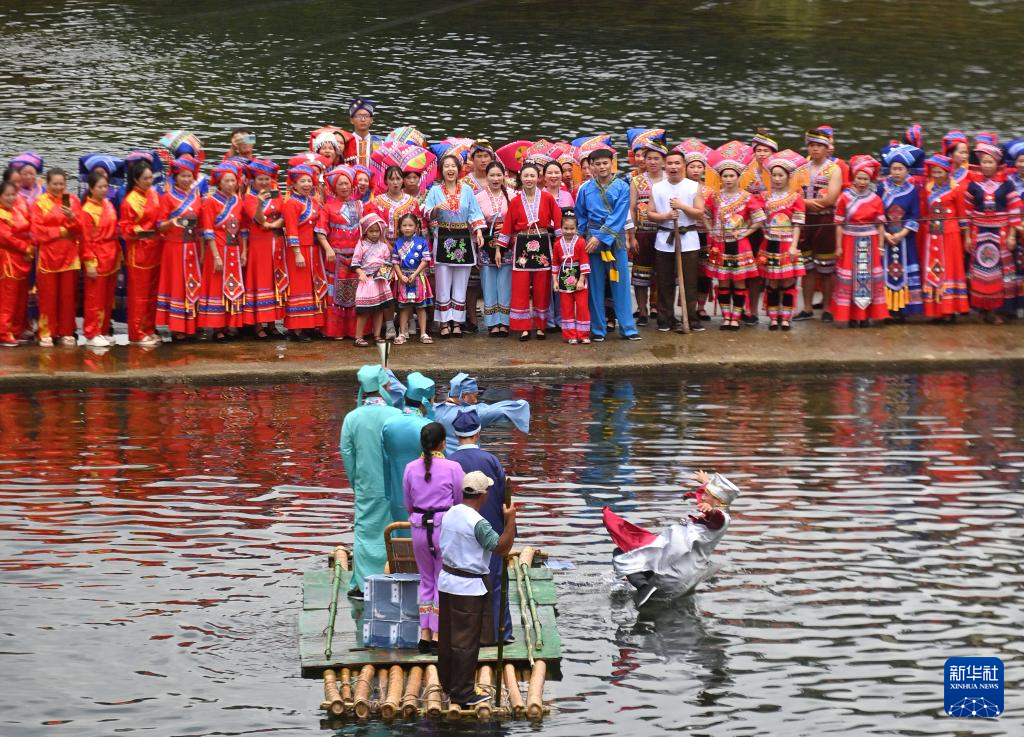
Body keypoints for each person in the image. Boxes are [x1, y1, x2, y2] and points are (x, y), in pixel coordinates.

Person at [436, 470, 517, 708]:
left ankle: (449, 684)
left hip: (447, 582)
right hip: (467, 588)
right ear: (483, 495)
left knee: (448, 637)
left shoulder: (451, 512)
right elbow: (501, 548)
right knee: (466, 643)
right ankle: (463, 693)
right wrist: (510, 520)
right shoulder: (478, 523)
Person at [604, 470, 739, 607]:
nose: (702, 497)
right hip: (677, 567)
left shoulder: (721, 519)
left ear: (718, 501)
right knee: (630, 549)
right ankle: (638, 582)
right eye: (704, 493)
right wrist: (705, 482)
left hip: (671, 573)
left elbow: (717, 517)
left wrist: (711, 510)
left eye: (707, 495)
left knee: (622, 553)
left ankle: (643, 587)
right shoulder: (715, 512)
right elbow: (712, 507)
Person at [449, 409, 513, 644]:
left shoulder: (450, 462)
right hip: (491, 526)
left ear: (456, 436)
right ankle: (499, 632)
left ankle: (467, 633)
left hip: (460, 529)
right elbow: (505, 496)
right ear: (478, 434)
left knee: (462, 579)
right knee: (494, 580)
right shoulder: (491, 460)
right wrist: (508, 526)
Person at [339, 364, 403, 597]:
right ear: (385, 386)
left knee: (365, 531)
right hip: (394, 485)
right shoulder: (396, 416)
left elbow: (347, 454)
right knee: (394, 530)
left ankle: (364, 581)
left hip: (366, 484)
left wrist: (356, 483)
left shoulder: (351, 418)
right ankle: (395, 573)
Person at [403, 422, 464, 652]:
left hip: (419, 528)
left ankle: (424, 634)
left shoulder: (410, 468)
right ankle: (438, 634)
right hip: (444, 528)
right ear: (443, 443)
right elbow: (459, 501)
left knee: (426, 580)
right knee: (442, 579)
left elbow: (408, 504)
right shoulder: (453, 467)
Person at [574, 147, 640, 341]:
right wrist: (582, 238)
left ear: (612, 164)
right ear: (591, 166)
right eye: (597, 164)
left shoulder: (622, 187)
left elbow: (619, 215)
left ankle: (628, 328)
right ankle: (597, 329)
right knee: (595, 286)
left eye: (605, 163)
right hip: (591, 241)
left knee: (620, 283)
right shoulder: (584, 189)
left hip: (615, 240)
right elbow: (581, 215)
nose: (602, 167)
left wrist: (600, 237)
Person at [498, 162, 562, 341]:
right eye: (525, 176)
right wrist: (499, 249)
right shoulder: (515, 201)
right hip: (522, 245)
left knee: (542, 286)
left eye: (532, 175)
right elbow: (508, 225)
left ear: (538, 178)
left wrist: (560, 245)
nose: (529, 179)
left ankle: (541, 326)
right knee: (520, 286)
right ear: (520, 178)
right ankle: (523, 327)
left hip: (542, 243)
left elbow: (558, 221)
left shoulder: (547, 198)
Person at [423, 154, 485, 338]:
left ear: (458, 169)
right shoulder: (435, 191)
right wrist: (436, 209)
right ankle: (444, 322)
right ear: (441, 170)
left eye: (453, 166)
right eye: (446, 166)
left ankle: (457, 321)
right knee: (443, 282)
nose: (450, 169)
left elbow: (474, 213)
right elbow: (426, 211)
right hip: (443, 236)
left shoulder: (467, 190)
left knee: (461, 282)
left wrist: (478, 231)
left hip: (463, 237)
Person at [705, 142, 764, 330]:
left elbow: (759, 220)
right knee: (723, 282)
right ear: (721, 178)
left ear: (739, 177)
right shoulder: (715, 196)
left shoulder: (747, 197)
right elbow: (705, 215)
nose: (728, 179)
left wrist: (745, 232)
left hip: (740, 245)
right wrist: (711, 230)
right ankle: (726, 317)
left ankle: (736, 318)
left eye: (732, 176)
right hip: (720, 244)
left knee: (739, 281)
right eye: (725, 176)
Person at [646, 150, 705, 333]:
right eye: (670, 163)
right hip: (665, 239)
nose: (673, 167)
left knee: (689, 282)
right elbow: (650, 214)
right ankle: (665, 318)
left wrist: (682, 207)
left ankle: (691, 318)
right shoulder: (657, 187)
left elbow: (699, 213)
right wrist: (665, 216)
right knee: (664, 282)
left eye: (677, 163)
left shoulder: (693, 186)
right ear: (665, 165)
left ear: (683, 166)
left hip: (689, 239)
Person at [964, 141, 1020, 323]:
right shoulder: (973, 185)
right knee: (980, 271)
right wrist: (967, 237)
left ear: (997, 164)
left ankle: (998, 311)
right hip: (979, 233)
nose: (987, 165)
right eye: (984, 162)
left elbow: (1015, 211)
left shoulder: (1007, 185)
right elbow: (967, 213)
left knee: (1001, 272)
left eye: (990, 162)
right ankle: (982, 309)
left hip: (1001, 233)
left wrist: (1012, 235)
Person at [793, 128, 844, 321]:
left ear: (826, 148)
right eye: (812, 145)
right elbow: (793, 194)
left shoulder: (834, 169)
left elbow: (831, 198)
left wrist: (806, 203)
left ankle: (827, 308)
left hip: (825, 220)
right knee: (807, 267)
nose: (815, 149)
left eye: (819, 146)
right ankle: (806, 307)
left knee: (826, 267)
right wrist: (806, 203)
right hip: (805, 219)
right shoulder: (801, 168)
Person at [831, 155, 888, 328]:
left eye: (865, 179)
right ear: (853, 178)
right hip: (849, 241)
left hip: (870, 242)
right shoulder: (844, 198)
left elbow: (880, 225)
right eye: (859, 178)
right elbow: (839, 224)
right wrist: (839, 246)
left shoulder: (876, 199)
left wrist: (880, 246)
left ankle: (865, 316)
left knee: (867, 278)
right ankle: (851, 316)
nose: (862, 182)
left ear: (870, 180)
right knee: (850, 278)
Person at [30, 168, 82, 347]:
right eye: (55, 184)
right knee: (48, 296)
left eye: (62, 184)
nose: (59, 187)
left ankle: (66, 331)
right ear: (47, 183)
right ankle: (46, 332)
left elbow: (81, 230)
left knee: (68, 296)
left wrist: (72, 218)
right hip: (48, 256)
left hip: (69, 256)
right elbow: (37, 231)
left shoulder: (72, 201)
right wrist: (60, 231)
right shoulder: (40, 203)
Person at [154, 155, 203, 341]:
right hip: (174, 248)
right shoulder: (167, 197)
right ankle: (177, 327)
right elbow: (159, 225)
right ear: (175, 177)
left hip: (192, 246)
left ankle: (192, 324)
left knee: (193, 284)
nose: (186, 179)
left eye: (189, 176)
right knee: (177, 286)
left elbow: (201, 225)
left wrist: (203, 250)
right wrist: (172, 222)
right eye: (183, 176)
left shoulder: (196, 196)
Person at [382, 371, 437, 533]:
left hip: (396, 497)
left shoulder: (388, 424)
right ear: (426, 402)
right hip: (424, 499)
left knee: (400, 540)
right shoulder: (426, 427)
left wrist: (389, 494)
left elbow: (386, 462)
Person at [758, 150, 807, 330]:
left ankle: (786, 317)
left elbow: (797, 224)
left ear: (788, 177)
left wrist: (794, 246)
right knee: (772, 281)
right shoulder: (764, 197)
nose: (777, 179)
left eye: (781, 175)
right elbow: (756, 217)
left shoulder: (796, 198)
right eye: (774, 175)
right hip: (770, 243)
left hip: (787, 243)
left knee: (788, 281)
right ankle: (773, 317)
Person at [197, 163, 246, 341]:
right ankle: (217, 327)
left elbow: (243, 229)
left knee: (232, 284)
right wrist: (216, 256)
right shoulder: (211, 202)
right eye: (227, 181)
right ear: (219, 183)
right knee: (217, 285)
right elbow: (208, 231)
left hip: (234, 248)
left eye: (233, 180)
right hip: (217, 247)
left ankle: (230, 324)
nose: (231, 184)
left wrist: (244, 251)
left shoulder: (238, 201)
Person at [919, 154, 970, 322]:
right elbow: (924, 213)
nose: (937, 175)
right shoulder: (927, 189)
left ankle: (950, 309)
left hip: (950, 235)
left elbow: (962, 215)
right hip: (932, 234)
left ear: (947, 173)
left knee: (949, 269)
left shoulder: (956, 189)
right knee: (932, 269)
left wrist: (966, 237)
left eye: (940, 172)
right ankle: (935, 310)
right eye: (934, 172)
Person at [119, 159, 164, 347]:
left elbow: (161, 217)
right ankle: (137, 333)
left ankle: (149, 328)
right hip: (138, 252)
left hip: (155, 250)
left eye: (150, 177)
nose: (149, 181)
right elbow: (125, 228)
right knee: (139, 296)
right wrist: (141, 231)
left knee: (152, 294)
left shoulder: (154, 194)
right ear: (136, 180)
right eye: (145, 178)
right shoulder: (130, 201)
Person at [877, 144, 925, 320]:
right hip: (885, 236)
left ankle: (904, 308)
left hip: (905, 239)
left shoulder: (913, 191)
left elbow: (914, 215)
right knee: (885, 269)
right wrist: (885, 234)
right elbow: (877, 212)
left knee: (904, 270)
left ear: (907, 171)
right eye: (894, 169)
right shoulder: (881, 188)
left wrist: (901, 234)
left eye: (900, 169)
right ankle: (886, 308)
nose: (896, 172)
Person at [316, 165, 363, 340]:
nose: (344, 187)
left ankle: (355, 331)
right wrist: (328, 248)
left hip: (357, 257)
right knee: (336, 294)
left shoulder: (360, 205)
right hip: (336, 257)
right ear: (334, 187)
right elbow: (320, 232)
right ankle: (336, 331)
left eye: (346, 183)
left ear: (352, 185)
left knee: (356, 293)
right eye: (340, 184)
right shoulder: (328, 207)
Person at [281, 165, 328, 340]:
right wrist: (297, 253)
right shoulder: (291, 203)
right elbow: (291, 230)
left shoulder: (313, 201)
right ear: (294, 184)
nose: (307, 184)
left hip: (314, 250)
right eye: (302, 181)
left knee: (313, 286)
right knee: (299, 287)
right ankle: (296, 328)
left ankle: (311, 324)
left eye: (309, 181)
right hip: (299, 250)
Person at [434, 372, 530, 454]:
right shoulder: (472, 413)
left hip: (444, 462)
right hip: (469, 461)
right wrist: (522, 404)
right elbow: (500, 410)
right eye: (474, 396)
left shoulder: (434, 410)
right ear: (464, 397)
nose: (476, 401)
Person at [739, 129, 780, 324]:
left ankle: (778, 313)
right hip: (751, 225)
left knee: (775, 270)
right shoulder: (746, 172)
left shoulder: (780, 172)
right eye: (759, 150)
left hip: (774, 226)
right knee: (750, 268)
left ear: (773, 152)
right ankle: (750, 310)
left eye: (766, 150)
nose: (762, 154)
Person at [626, 133, 667, 328]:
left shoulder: (669, 180)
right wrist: (631, 236)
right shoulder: (637, 181)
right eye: (649, 158)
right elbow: (632, 209)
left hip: (665, 232)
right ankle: (642, 311)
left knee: (663, 273)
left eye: (656, 158)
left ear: (663, 161)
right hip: (643, 232)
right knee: (640, 274)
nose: (652, 162)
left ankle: (659, 308)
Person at [242, 158, 285, 339]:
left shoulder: (276, 193)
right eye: (260, 179)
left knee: (275, 280)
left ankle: (272, 324)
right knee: (260, 282)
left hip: (276, 242)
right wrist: (260, 204)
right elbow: (259, 219)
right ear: (253, 180)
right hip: (259, 244)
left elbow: (284, 214)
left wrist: (274, 224)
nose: (264, 182)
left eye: (267, 179)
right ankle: (259, 324)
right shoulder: (249, 198)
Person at [78, 170, 121, 347]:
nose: (104, 190)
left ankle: (102, 330)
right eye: (100, 187)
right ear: (91, 188)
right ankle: (91, 332)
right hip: (97, 255)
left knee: (107, 298)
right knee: (94, 298)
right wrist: (89, 263)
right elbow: (85, 240)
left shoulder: (108, 205)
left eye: (105, 186)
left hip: (111, 255)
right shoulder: (87, 211)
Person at [475, 161, 513, 337]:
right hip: (486, 242)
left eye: (499, 175)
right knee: (488, 281)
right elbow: (474, 219)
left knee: (505, 282)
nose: (496, 179)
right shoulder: (479, 197)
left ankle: (505, 321)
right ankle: (492, 322)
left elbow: (517, 218)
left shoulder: (512, 195)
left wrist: (506, 227)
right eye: (492, 175)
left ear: (504, 176)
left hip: (507, 242)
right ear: (486, 177)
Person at [351, 211, 395, 346]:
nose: (374, 234)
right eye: (371, 231)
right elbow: (355, 262)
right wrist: (361, 273)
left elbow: (388, 261)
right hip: (367, 281)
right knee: (364, 311)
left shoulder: (383, 246)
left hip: (380, 281)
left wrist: (386, 275)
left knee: (379, 309)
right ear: (365, 231)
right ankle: (358, 337)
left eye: (377, 231)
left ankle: (377, 335)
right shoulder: (361, 245)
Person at [0, 180, 33, 347]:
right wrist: (26, 248)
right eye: (7, 195)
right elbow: (6, 238)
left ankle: (16, 329)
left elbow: (28, 230)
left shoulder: (16, 211)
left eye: (13, 194)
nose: (11, 198)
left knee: (20, 298)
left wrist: (30, 246)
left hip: (21, 259)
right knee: (8, 298)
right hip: (7, 260)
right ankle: (3, 332)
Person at [392, 212, 433, 344]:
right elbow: (395, 262)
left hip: (418, 277)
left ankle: (423, 333)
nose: (407, 228)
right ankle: (402, 333)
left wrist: (415, 274)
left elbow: (425, 260)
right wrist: (400, 276)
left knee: (421, 306)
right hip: (403, 277)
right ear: (400, 227)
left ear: (416, 227)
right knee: (404, 307)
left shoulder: (422, 242)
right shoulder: (398, 243)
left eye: (410, 225)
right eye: (404, 225)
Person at [551, 211, 591, 343]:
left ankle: (583, 335)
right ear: (561, 228)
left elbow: (584, 261)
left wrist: (581, 280)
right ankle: (570, 335)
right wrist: (555, 281)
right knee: (566, 307)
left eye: (572, 228)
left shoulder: (581, 242)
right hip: (564, 276)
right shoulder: (557, 244)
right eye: (566, 228)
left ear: (577, 228)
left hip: (579, 275)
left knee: (582, 306)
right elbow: (555, 263)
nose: (569, 231)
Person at [372, 165, 424, 241]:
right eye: (391, 179)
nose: (395, 182)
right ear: (386, 181)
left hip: (407, 244)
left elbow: (417, 227)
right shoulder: (377, 202)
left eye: (398, 178)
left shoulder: (412, 202)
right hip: (382, 244)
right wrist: (386, 244)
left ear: (402, 180)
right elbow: (374, 227)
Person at [344, 97, 381, 168]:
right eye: (359, 116)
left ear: (371, 120)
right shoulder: (346, 142)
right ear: (351, 120)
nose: (363, 119)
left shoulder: (379, 143)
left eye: (366, 116)